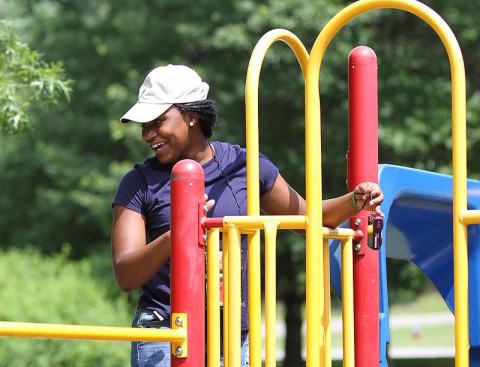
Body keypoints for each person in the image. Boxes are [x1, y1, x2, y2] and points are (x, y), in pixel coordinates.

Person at [111, 64, 384, 367]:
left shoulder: (244, 165)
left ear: (191, 115)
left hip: (232, 333)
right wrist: (177, 234)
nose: (148, 134)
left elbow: (307, 219)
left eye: (158, 121)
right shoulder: (138, 182)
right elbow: (126, 274)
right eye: (143, 126)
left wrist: (355, 201)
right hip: (165, 329)